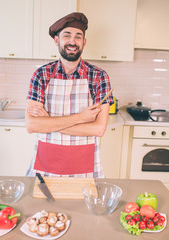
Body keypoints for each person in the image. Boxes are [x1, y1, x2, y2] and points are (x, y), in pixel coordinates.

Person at [25, 12, 114, 178]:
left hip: (83, 162)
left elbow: (99, 129)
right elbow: (32, 125)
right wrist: (81, 117)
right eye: (67, 36)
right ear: (57, 40)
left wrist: (49, 122)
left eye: (78, 36)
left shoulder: (99, 76)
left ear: (84, 42)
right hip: (46, 162)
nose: (72, 41)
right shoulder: (41, 74)